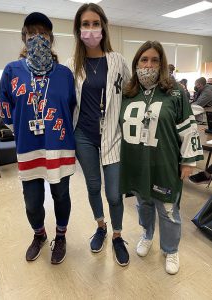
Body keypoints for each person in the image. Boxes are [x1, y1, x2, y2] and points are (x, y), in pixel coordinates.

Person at [119, 41, 204, 274]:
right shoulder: (128, 92)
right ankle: (147, 235)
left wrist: (188, 161)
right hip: (137, 162)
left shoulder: (174, 91)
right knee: (143, 204)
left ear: (162, 63)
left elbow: (189, 127)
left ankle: (171, 248)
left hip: (164, 162)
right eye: (144, 60)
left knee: (168, 209)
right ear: (136, 63)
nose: (149, 65)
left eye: (155, 60)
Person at [0, 12, 76, 265]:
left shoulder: (65, 74)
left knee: (61, 197)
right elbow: (6, 111)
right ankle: (39, 234)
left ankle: (61, 236)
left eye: (43, 33)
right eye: (32, 33)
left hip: (60, 148)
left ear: (51, 39)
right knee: (32, 203)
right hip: (29, 148)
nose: (37, 38)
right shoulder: (11, 71)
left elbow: (72, 109)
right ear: (24, 38)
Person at [65, 3, 130, 266]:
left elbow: (131, 92)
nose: (90, 29)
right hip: (83, 135)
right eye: (85, 24)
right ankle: (101, 227)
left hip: (112, 134)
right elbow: (65, 100)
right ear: (78, 29)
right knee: (93, 186)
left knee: (114, 193)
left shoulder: (118, 61)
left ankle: (117, 235)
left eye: (95, 23)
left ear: (103, 26)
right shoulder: (72, 65)